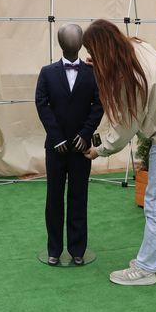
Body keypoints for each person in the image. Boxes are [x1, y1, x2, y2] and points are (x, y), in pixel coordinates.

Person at [82, 19, 156, 286]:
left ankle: (145, 269)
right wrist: (100, 62)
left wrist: (99, 150)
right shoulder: (138, 46)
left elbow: (125, 128)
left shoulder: (129, 78)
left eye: (92, 51)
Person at [36, 24, 104, 266]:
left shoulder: (93, 73)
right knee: (53, 198)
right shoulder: (47, 72)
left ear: (81, 43)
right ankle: (54, 249)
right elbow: (41, 104)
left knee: (79, 197)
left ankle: (77, 248)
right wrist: (56, 137)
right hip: (56, 148)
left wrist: (86, 133)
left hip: (80, 148)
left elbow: (99, 104)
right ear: (60, 43)